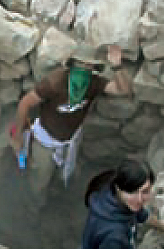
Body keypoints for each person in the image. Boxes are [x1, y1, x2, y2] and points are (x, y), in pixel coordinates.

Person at [9, 44, 134, 205]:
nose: (84, 69)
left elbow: (123, 90)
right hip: (45, 141)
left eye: (88, 66)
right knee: (39, 179)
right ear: (72, 64)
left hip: (71, 139)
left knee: (65, 174)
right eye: (80, 64)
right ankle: (34, 208)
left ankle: (59, 198)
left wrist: (117, 66)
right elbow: (25, 103)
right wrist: (18, 135)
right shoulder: (55, 82)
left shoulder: (94, 83)